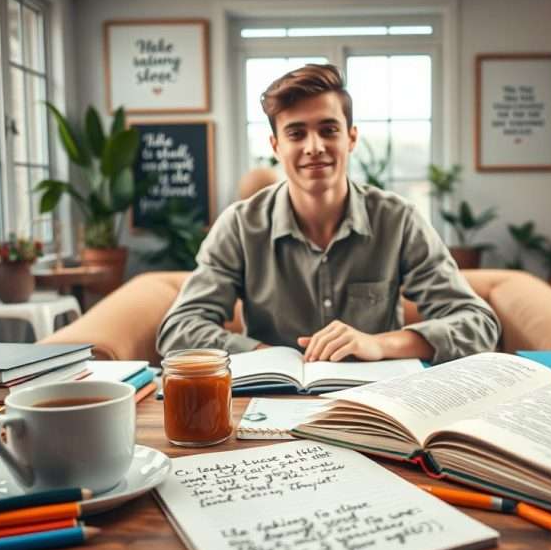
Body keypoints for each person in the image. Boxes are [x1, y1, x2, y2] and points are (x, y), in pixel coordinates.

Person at [156, 64, 499, 363]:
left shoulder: (398, 219)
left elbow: (477, 324)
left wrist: (379, 345)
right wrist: (267, 355)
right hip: (269, 399)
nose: (314, 147)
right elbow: (178, 331)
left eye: (328, 129)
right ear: (276, 147)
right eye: (296, 133)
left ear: (351, 138)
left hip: (375, 405)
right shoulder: (239, 225)